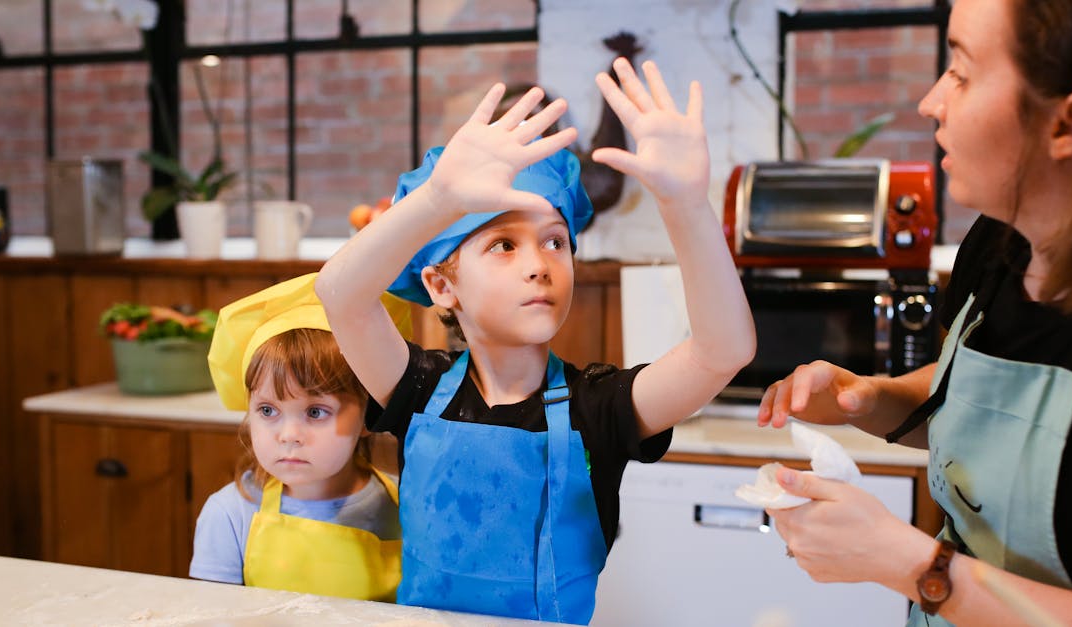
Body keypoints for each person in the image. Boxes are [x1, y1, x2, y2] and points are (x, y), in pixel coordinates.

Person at [316, 58, 755, 623]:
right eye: (503, 244)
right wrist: (439, 201)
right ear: (441, 284)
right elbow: (340, 294)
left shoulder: (600, 406)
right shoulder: (417, 387)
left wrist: (689, 208)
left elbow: (724, 350)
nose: (539, 266)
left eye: (555, 242)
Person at [756, 0, 1072, 624]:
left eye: (960, 70)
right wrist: (868, 398)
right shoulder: (998, 246)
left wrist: (909, 564)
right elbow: (974, 404)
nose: (931, 101)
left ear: (1067, 124)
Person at [190, 274, 411, 601]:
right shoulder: (230, 514)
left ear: (371, 414)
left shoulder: (409, 507)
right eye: (267, 411)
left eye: (316, 412)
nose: (289, 436)